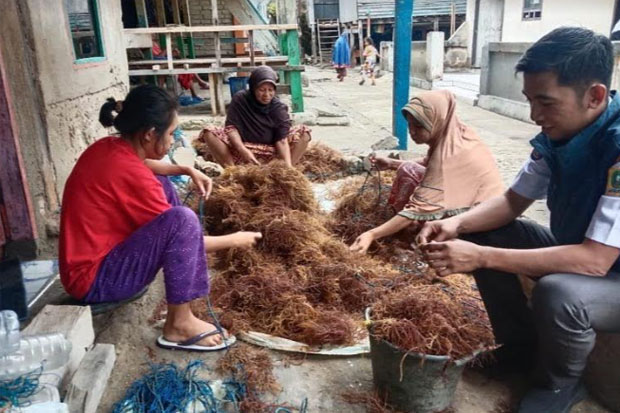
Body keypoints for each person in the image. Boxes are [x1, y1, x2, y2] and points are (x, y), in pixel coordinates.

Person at [417, 27, 620, 412]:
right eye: (529, 101)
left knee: (560, 295)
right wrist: (458, 225)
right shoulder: (557, 138)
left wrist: (480, 257)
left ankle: (561, 383)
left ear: (594, 96)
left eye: (545, 102)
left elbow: (595, 262)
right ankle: (521, 349)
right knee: (488, 230)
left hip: (610, 274)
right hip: (582, 255)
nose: (534, 115)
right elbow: (512, 201)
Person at [59, 85, 262, 352]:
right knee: (182, 221)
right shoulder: (132, 175)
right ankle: (179, 324)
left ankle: (183, 293)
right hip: (95, 281)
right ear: (149, 134)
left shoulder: (109, 147)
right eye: (170, 133)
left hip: (86, 267)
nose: (173, 139)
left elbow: (143, 165)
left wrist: (186, 169)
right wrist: (236, 239)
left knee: (166, 191)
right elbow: (182, 238)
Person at [350, 90, 504, 254]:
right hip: (482, 204)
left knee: (409, 173)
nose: (412, 131)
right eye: (409, 125)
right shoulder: (455, 133)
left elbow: (417, 209)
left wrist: (372, 234)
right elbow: (428, 163)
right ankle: (410, 227)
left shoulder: (448, 158)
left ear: (437, 120)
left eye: (419, 126)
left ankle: (413, 234)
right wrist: (391, 163)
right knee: (410, 169)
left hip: (480, 220)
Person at [198, 66, 311, 167]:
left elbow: (281, 140)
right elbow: (231, 128)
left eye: (270, 90)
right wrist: (242, 150)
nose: (267, 95)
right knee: (209, 132)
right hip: (242, 150)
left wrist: (287, 169)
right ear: (253, 88)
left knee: (304, 132)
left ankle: (284, 170)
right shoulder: (240, 99)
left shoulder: (278, 107)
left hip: (271, 152)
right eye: (262, 90)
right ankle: (232, 172)